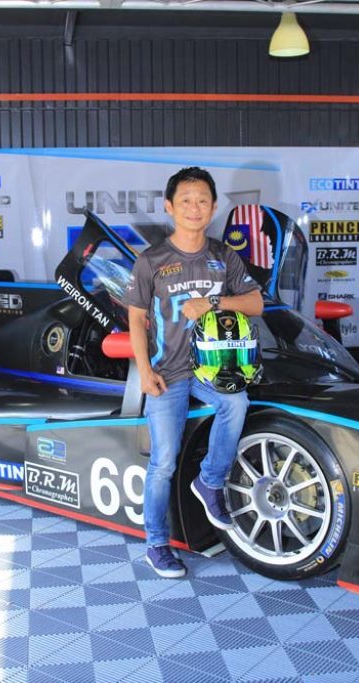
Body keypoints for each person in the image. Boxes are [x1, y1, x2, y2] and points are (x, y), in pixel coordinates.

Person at [123, 167, 264, 578]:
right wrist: (144, 371)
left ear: (214, 207)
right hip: (166, 373)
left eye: (202, 200)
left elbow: (255, 302)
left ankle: (210, 481)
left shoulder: (224, 256)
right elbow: (135, 320)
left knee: (236, 403)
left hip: (210, 369)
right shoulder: (151, 260)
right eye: (185, 200)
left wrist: (214, 303)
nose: (194, 207)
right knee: (163, 463)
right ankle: (156, 545)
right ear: (169, 207)